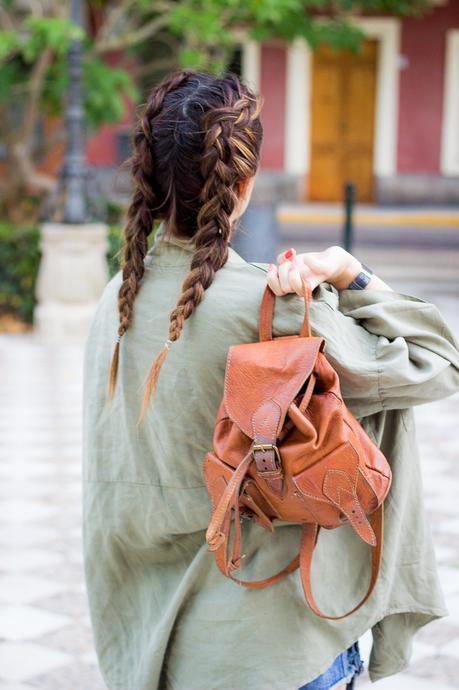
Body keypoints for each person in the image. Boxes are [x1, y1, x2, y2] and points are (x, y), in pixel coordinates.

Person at [82, 69, 459, 690]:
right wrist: (350, 274)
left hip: (154, 651)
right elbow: (437, 361)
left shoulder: (115, 303)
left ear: (147, 176)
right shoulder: (278, 308)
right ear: (246, 179)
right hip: (274, 649)